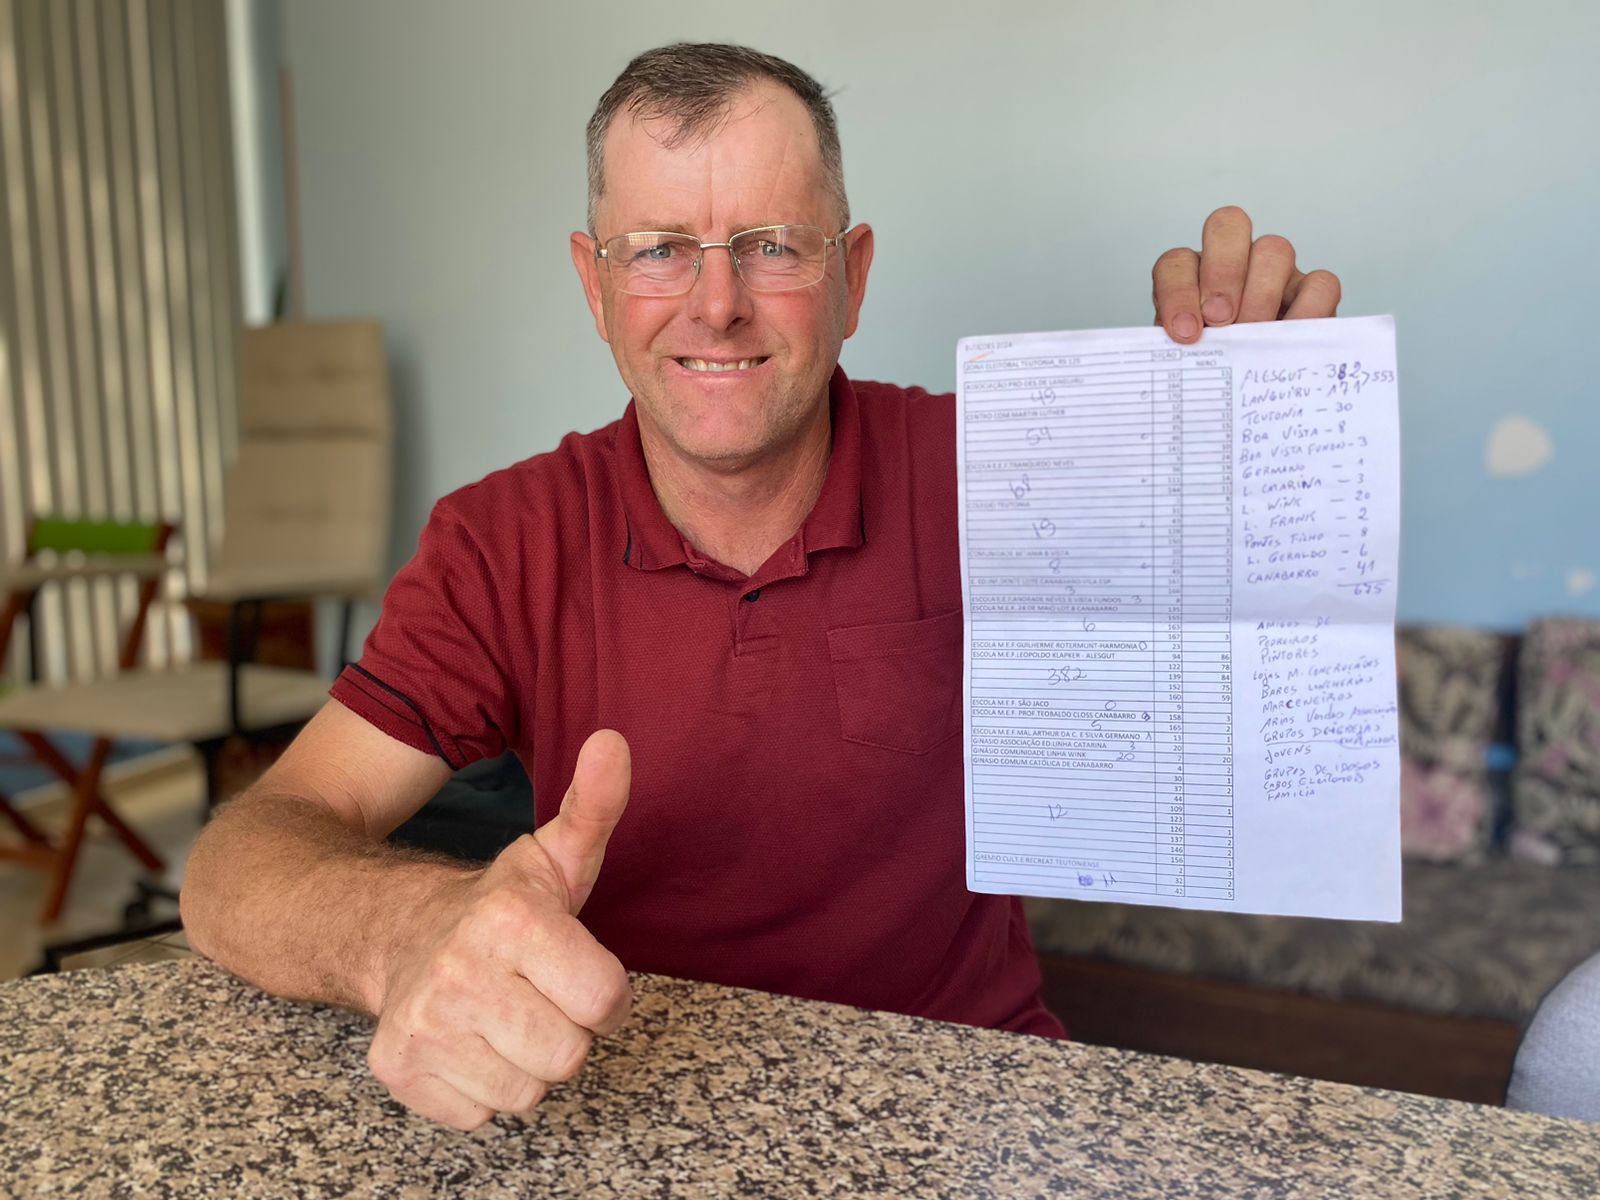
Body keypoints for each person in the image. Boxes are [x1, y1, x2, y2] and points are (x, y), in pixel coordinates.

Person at [180, 43, 1342, 1130]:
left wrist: (1247, 394)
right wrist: (406, 928)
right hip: (626, 1106)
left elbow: (1240, 618)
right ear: (594, 285)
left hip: (967, 1101)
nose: (717, 302)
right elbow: (239, 863)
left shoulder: (997, 472)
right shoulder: (502, 541)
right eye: (657, 249)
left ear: (853, 276)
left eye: (773, 245)